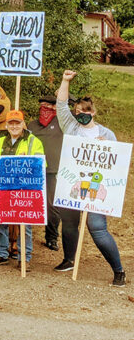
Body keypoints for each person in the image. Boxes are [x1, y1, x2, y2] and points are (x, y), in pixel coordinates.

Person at [54, 70, 125, 287]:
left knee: (97, 228)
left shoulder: (107, 134)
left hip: (95, 187)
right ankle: (69, 260)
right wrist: (65, 80)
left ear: (92, 112)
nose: (80, 114)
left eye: (84, 111)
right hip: (72, 185)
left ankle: (118, 270)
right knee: (69, 224)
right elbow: (61, 105)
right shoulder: (71, 127)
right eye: (77, 112)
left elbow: (117, 164)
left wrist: (107, 146)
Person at [0, 110, 44, 268]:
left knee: (25, 223)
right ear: (6, 124)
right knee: (0, 220)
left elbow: (41, 165)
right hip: (2, 186)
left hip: (24, 188)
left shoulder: (33, 141)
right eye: (11, 123)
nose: (14, 126)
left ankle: (24, 257)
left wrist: (27, 161)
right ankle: (1, 253)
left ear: (23, 124)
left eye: (17, 123)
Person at [27, 95, 63, 251]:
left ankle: (52, 237)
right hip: (33, 169)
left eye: (49, 106)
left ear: (55, 107)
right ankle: (23, 237)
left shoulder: (61, 123)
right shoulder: (32, 125)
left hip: (52, 170)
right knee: (27, 203)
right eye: (43, 106)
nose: (45, 109)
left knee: (51, 206)